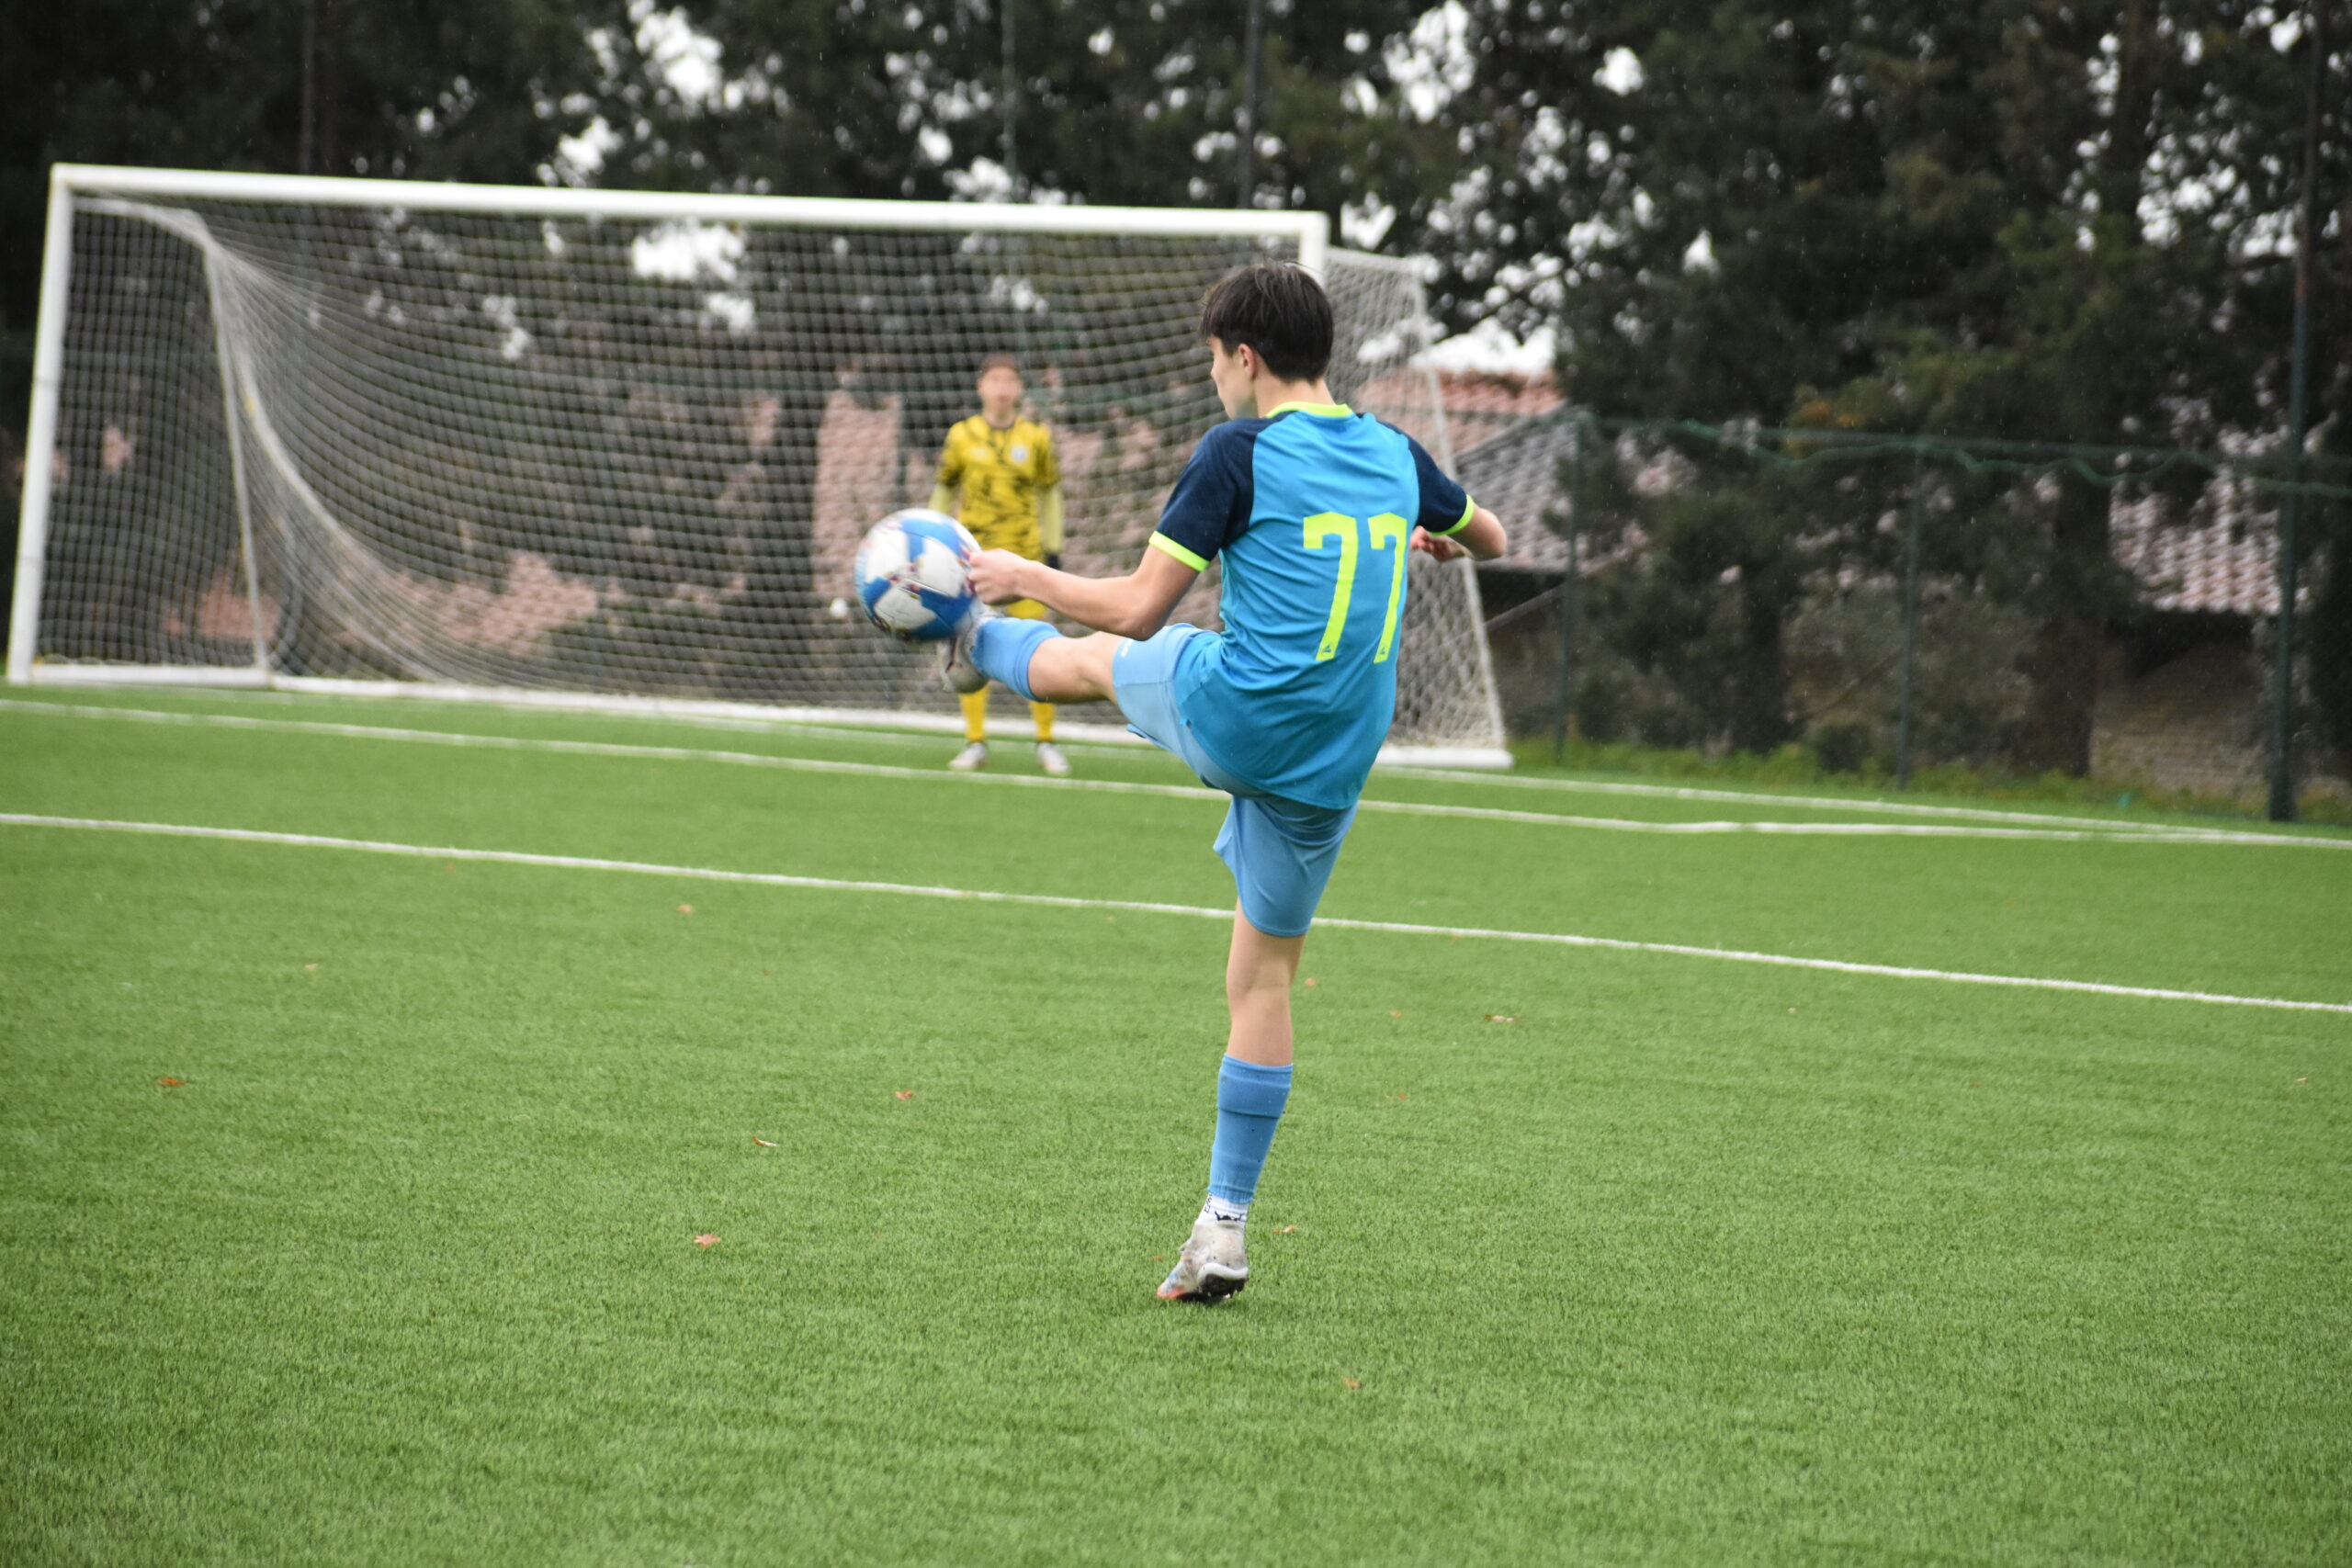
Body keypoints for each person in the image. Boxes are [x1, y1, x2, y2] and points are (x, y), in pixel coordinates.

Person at [948, 261, 1508, 1303]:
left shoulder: (1237, 449)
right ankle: (1223, 1228)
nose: (1213, 378)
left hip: (1244, 711)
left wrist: (1020, 576)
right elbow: (1494, 537)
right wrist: (1433, 536)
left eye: (1213, 359)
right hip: (1337, 756)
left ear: (1244, 357)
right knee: (1263, 980)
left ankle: (971, 639)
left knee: (1097, 659)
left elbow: (1137, 608)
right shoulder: (1395, 453)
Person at [930, 353, 1071, 776]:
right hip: (973, 563)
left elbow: (1050, 491)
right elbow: (944, 488)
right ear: (981, 386)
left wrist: (1054, 545)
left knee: (1039, 648)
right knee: (970, 649)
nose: (1002, 388)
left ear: (1020, 388)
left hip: (1025, 561)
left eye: (1009, 380)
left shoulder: (1036, 437)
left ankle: (1046, 742)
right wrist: (933, 542)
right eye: (994, 380)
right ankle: (975, 742)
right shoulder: (961, 436)